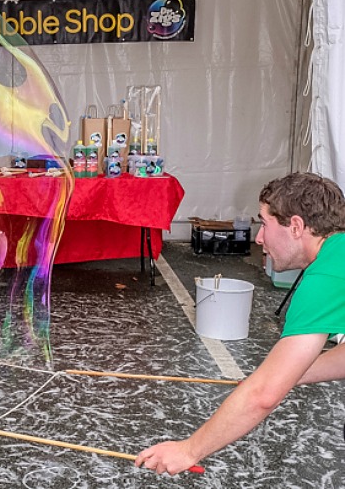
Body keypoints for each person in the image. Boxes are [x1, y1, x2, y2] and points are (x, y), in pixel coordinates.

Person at [135, 172, 345, 475]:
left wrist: (188, 450)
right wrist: (289, 375)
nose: (258, 238)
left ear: (296, 226)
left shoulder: (326, 278)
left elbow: (263, 396)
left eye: (264, 223)